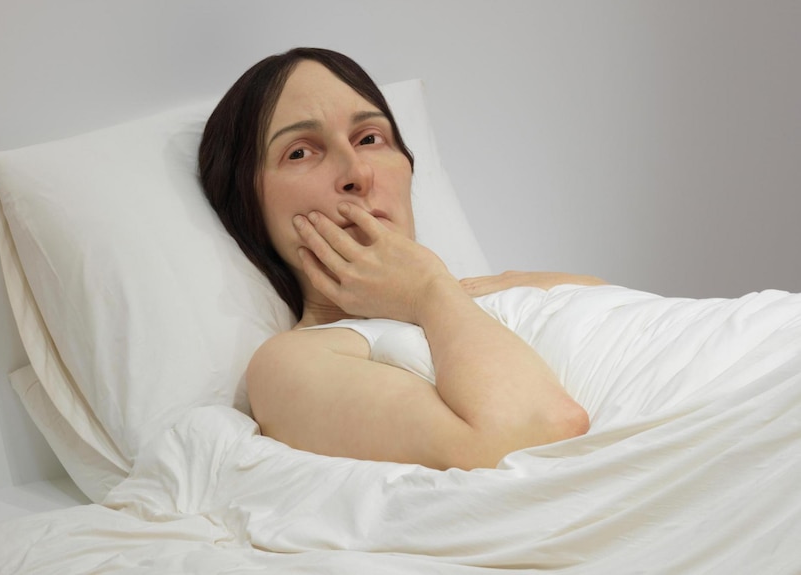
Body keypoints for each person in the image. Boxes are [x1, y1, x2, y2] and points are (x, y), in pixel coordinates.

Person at [199, 47, 602, 470]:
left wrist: (438, 289)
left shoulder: (503, 286)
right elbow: (537, 438)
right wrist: (427, 290)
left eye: (370, 139)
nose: (357, 173)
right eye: (300, 152)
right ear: (248, 207)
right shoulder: (291, 364)